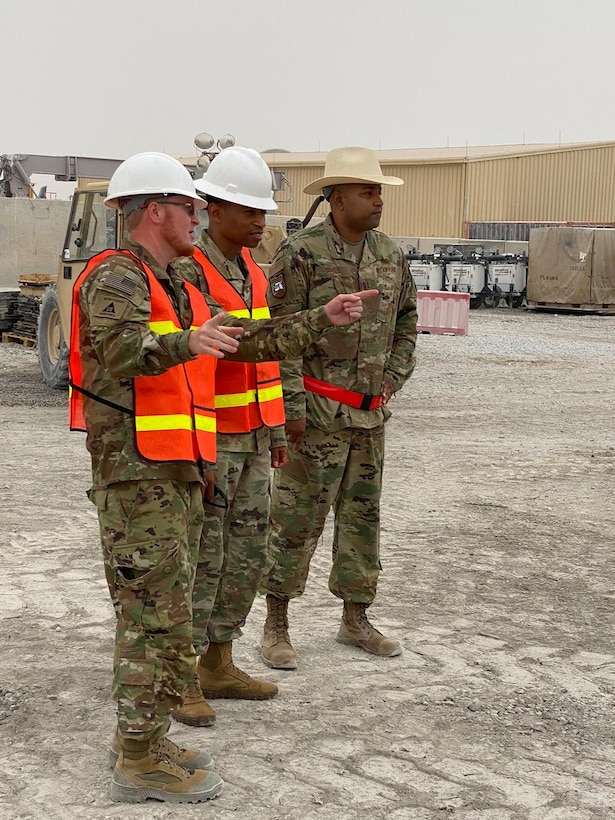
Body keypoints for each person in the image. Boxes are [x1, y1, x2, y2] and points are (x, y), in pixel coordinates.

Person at [68, 151, 375, 803]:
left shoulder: (175, 281)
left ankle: (146, 740)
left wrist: (321, 320)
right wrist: (190, 342)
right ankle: (137, 760)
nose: (197, 215)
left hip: (173, 467)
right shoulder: (116, 277)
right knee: (149, 616)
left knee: (169, 613)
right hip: (134, 474)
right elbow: (123, 353)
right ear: (156, 212)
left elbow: (247, 340)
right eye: (187, 207)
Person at [258, 146, 418, 670]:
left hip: (370, 418)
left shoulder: (391, 256)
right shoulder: (300, 253)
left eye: (379, 193)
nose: (377, 201)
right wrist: (292, 407)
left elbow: (407, 322)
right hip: (318, 415)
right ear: (338, 196)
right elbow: (281, 335)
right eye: (369, 192)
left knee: (362, 518)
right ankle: (276, 623)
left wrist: (393, 377)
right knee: (296, 518)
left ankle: (356, 617)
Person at [171, 147, 284, 726]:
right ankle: (184, 672)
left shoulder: (255, 273)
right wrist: (200, 447)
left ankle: (220, 660)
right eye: (248, 209)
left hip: (257, 437)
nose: (260, 221)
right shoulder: (190, 271)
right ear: (213, 208)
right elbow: (194, 364)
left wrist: (278, 426)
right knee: (204, 558)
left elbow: (267, 363)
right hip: (215, 439)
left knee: (246, 555)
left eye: (264, 211)